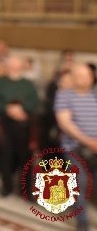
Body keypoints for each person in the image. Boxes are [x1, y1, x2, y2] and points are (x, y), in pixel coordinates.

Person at [54, 63, 97, 231]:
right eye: (79, 76)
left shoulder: (94, 95)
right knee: (80, 183)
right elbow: (65, 123)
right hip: (75, 148)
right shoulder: (64, 96)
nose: (83, 79)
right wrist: (89, 141)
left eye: (86, 76)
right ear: (73, 78)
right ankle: (82, 221)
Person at [0, 55, 38, 197]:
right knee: (5, 157)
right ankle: (6, 187)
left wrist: (22, 110)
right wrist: (9, 109)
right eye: (11, 66)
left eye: (17, 66)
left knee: (26, 158)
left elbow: (34, 101)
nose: (14, 69)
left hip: (24, 125)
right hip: (4, 124)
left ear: (21, 67)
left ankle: (26, 190)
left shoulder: (28, 84)